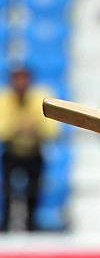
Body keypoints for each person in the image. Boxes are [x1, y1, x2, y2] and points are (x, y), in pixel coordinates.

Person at [0, 67, 59, 231]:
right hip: (12, 152)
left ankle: (31, 226)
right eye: (16, 79)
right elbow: (2, 131)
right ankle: (5, 227)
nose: (20, 83)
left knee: (33, 192)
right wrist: (18, 127)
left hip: (34, 152)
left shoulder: (39, 98)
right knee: (7, 192)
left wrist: (35, 128)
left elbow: (52, 130)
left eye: (23, 78)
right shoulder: (4, 99)